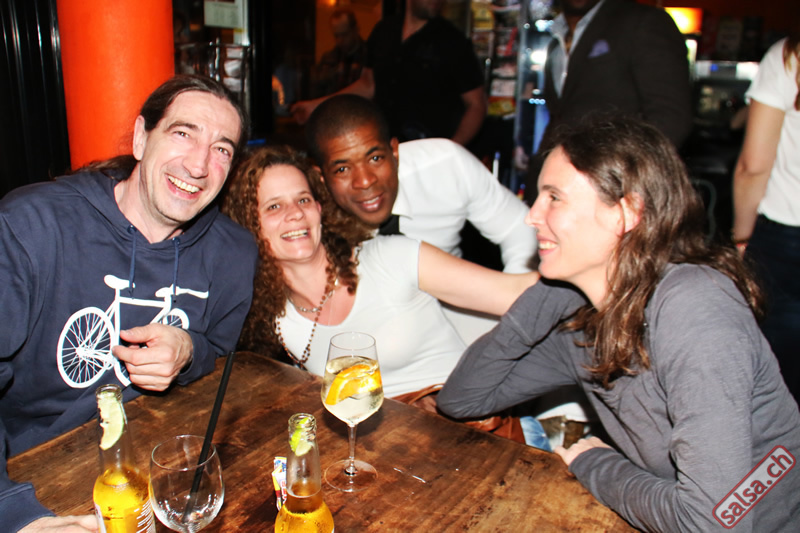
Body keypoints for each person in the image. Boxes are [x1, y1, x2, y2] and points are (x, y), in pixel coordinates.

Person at [437, 115, 800, 531]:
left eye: (554, 197)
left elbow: (711, 525)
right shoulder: (584, 326)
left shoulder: (695, 307)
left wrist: (595, 462)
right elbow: (462, 399)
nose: (532, 216)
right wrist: (548, 290)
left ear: (625, 212)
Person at [0, 75, 258, 532]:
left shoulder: (234, 252)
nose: (199, 164)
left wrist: (188, 349)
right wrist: (16, 515)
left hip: (166, 464)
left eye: (222, 149)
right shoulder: (30, 225)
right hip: (31, 473)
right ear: (141, 137)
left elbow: (220, 358)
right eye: (183, 133)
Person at [221, 144, 538, 398]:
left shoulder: (391, 258)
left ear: (319, 209)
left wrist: (569, 264)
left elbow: (518, 294)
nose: (295, 214)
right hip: (389, 449)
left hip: (469, 430)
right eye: (274, 206)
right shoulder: (279, 320)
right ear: (250, 225)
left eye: (303, 199)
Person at [305, 94, 536, 344]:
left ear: (394, 151)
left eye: (375, 158)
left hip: (465, 319)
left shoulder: (445, 166)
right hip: (377, 339)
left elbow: (520, 230)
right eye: (342, 169)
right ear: (321, 177)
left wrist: (515, 315)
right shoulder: (311, 219)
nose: (365, 181)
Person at [520, 0, 692, 204]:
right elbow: (560, 120)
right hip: (563, 191)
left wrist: (619, 185)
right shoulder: (556, 41)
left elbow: (671, 119)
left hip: (616, 191)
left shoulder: (642, 22)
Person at [291, 0, 487, 146]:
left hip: (428, 153)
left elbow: (477, 104)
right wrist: (317, 106)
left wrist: (451, 149)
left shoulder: (453, 41)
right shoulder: (384, 31)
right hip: (385, 148)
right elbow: (367, 85)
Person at [732, 30, 800, 404]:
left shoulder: (789, 56)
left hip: (786, 236)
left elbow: (753, 167)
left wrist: (741, 237)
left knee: (777, 380)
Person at [311, 9, 367, 98]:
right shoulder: (329, 58)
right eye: (336, 36)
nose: (340, 41)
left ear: (355, 30)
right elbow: (316, 87)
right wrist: (333, 73)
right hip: (335, 105)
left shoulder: (368, 56)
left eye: (344, 35)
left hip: (358, 105)